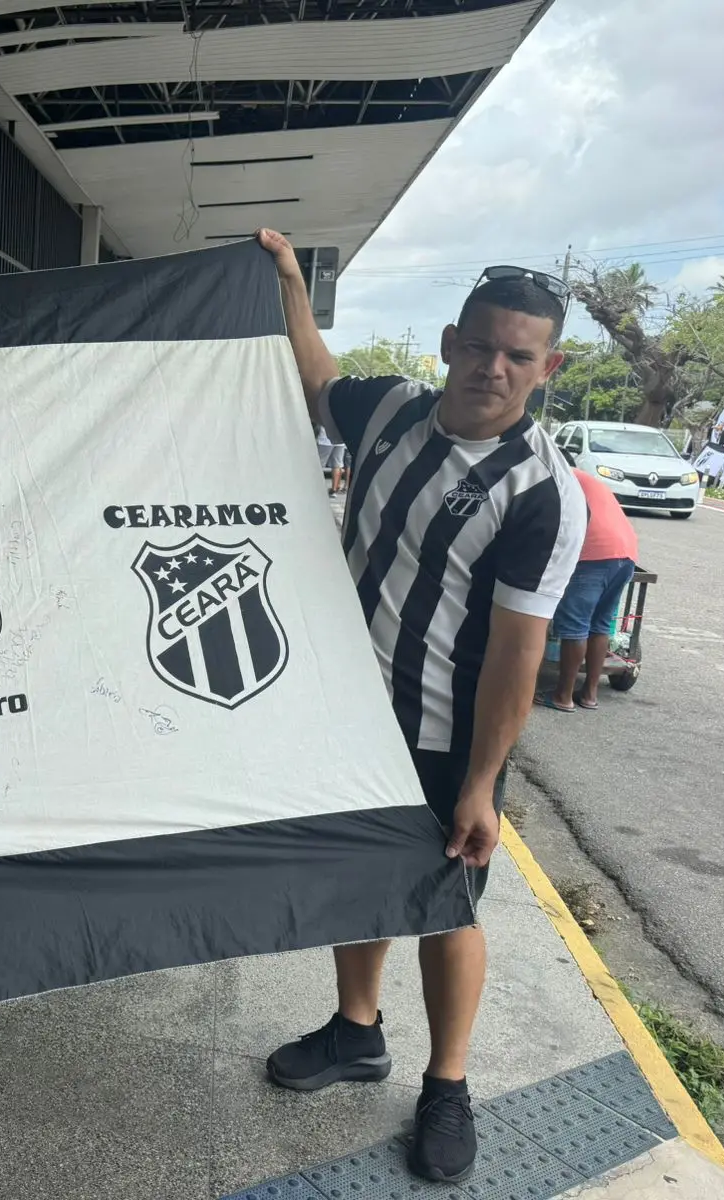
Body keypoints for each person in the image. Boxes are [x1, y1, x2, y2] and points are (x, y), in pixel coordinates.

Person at [256, 231, 586, 1183]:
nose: (495, 367)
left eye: (520, 355)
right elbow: (318, 379)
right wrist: (290, 283)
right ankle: (358, 1030)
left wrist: (483, 784)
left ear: (548, 367)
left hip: (447, 738)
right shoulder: (394, 412)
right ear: (449, 341)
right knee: (362, 878)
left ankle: (447, 1082)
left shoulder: (542, 495)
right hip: (351, 715)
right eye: (481, 345)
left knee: (447, 906)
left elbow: (518, 661)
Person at [538, 469, 639, 712]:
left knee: (575, 624)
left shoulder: (553, 477)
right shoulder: (585, 478)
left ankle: (563, 695)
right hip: (626, 553)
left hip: (593, 554)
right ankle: (589, 694)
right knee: (600, 624)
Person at [316, 423, 349, 495]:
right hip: (340, 440)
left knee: (318, 464)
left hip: (325, 440)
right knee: (337, 465)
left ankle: (316, 487)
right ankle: (334, 489)